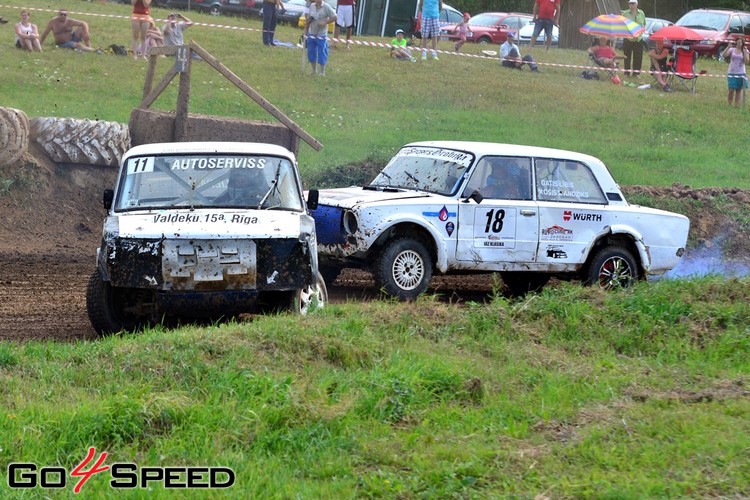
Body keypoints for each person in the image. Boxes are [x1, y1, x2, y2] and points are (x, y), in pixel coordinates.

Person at [305, 0, 336, 76]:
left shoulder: (326, 7)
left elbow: (335, 17)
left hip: (322, 34)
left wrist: (325, 22)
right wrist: (306, 30)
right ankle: (314, 71)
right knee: (311, 52)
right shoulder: (312, 6)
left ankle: (322, 72)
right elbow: (308, 19)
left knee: (322, 52)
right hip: (311, 33)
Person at [621, 0, 646, 77]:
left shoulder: (641, 13)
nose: (631, 5)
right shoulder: (625, 13)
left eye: (633, 3)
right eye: (630, 3)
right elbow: (622, 25)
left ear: (636, 4)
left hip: (638, 39)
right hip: (628, 38)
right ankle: (626, 73)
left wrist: (641, 31)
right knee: (627, 57)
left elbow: (644, 24)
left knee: (638, 57)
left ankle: (636, 74)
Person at [722, 37, 749, 107]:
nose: (739, 43)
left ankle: (736, 106)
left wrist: (745, 52)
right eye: (738, 42)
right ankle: (729, 104)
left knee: (738, 90)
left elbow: (747, 61)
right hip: (732, 72)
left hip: (741, 73)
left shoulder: (745, 51)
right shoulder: (732, 50)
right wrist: (728, 47)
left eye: (741, 42)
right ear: (736, 42)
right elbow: (724, 55)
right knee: (731, 89)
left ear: (743, 43)